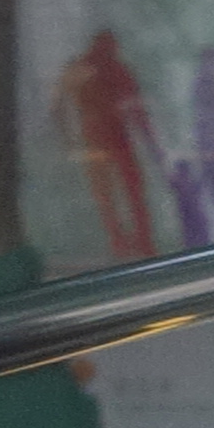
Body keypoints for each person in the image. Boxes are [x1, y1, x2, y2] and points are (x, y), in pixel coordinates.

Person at [56, 28, 161, 258]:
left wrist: (69, 140)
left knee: (122, 191)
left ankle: (135, 241)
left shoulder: (106, 69)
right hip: (103, 138)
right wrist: (68, 141)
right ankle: (126, 241)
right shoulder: (95, 69)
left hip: (108, 137)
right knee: (115, 193)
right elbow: (59, 107)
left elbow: (136, 108)